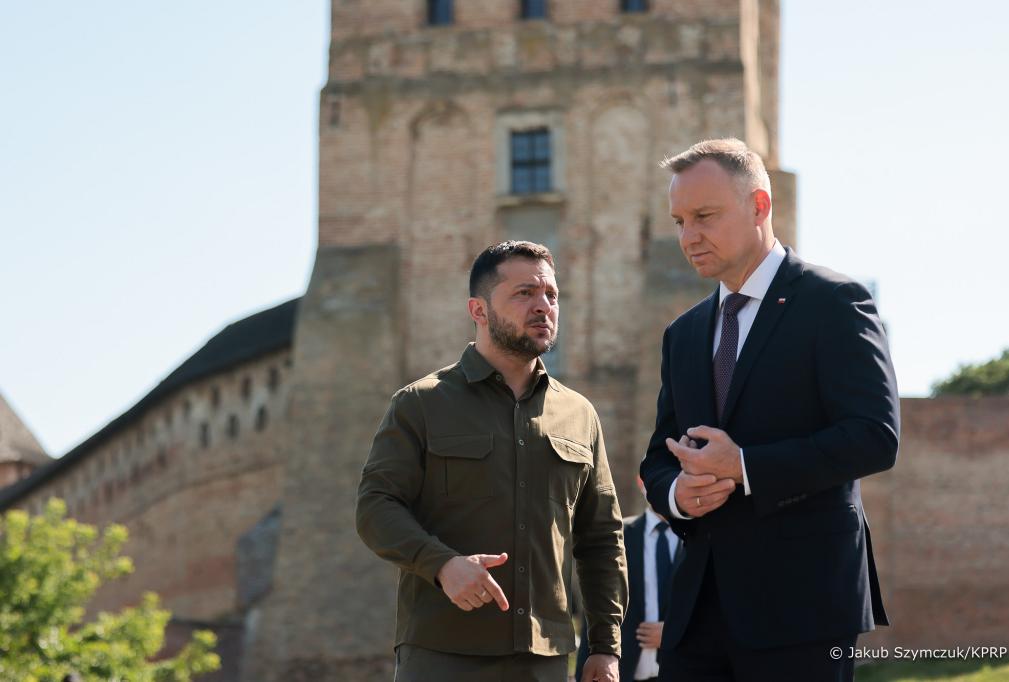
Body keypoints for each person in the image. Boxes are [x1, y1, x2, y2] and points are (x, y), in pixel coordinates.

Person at [639, 138, 899, 682]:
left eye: (705, 216)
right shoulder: (682, 333)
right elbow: (658, 459)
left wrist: (745, 466)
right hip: (696, 614)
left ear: (759, 205)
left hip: (802, 606)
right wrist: (678, 495)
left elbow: (874, 437)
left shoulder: (834, 302)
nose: (689, 237)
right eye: (680, 221)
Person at [357, 241, 628, 682]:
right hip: (442, 653)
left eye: (551, 295)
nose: (543, 306)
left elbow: (601, 538)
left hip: (545, 659)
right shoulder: (420, 404)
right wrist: (441, 564)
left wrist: (605, 646)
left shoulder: (580, 415)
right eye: (524, 293)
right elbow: (375, 507)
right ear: (478, 310)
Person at [577, 477, 684, 682]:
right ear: (641, 482)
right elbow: (597, 604)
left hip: (680, 670)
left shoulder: (697, 537)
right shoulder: (617, 536)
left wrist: (674, 633)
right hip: (621, 672)